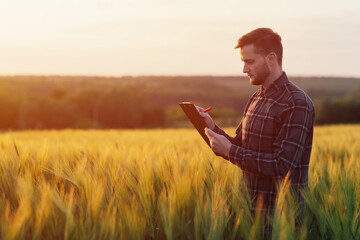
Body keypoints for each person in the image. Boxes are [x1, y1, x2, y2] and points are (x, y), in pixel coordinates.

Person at [199, 27, 315, 229]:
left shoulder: (296, 103)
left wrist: (230, 151)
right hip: (251, 215)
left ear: (271, 59)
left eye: (249, 61)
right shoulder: (256, 98)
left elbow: (282, 165)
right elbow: (240, 146)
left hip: (281, 221)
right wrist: (211, 126)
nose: (244, 69)